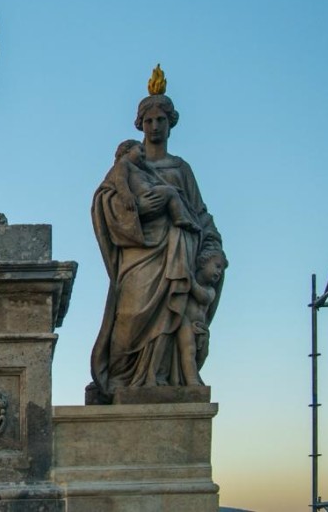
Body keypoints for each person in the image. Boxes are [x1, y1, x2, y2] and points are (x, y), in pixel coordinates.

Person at [88, 87, 227, 404]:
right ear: (140, 124)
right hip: (138, 252)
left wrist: (213, 249)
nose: (154, 126)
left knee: (171, 319)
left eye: (160, 119)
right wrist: (135, 210)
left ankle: (159, 379)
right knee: (129, 319)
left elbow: (200, 214)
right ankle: (122, 378)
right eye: (148, 120)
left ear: (170, 123)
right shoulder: (126, 166)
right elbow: (103, 201)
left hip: (176, 251)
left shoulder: (180, 169)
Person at [104, 139, 200, 232]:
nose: (143, 155)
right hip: (144, 198)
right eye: (141, 150)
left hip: (150, 195)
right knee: (170, 192)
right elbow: (121, 180)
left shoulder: (138, 169)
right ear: (128, 149)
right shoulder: (123, 164)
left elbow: (151, 181)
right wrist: (126, 195)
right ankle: (179, 218)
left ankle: (180, 217)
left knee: (172, 191)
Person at [179, 251, 226, 385]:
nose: (219, 272)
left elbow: (204, 297)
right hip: (185, 321)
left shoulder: (211, 290)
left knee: (202, 354)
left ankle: (194, 375)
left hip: (200, 327)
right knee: (189, 349)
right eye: (217, 266)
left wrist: (192, 282)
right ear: (202, 262)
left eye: (221, 270)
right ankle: (191, 380)